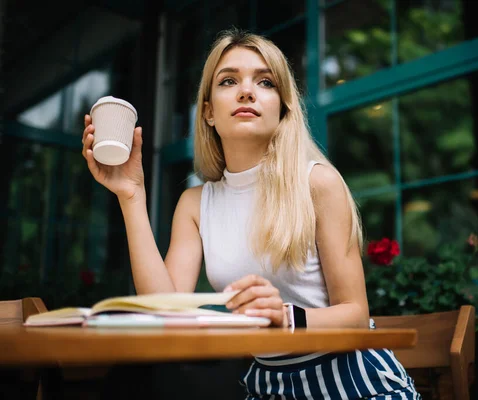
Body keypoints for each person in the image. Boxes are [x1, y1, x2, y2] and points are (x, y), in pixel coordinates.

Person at [82, 28, 420, 400]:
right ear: (208, 112)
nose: (247, 91)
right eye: (228, 80)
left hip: (353, 381)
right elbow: (167, 312)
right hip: (267, 386)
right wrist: (131, 196)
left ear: (282, 107)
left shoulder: (318, 183)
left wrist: (286, 318)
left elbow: (355, 313)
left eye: (265, 82)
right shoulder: (195, 203)